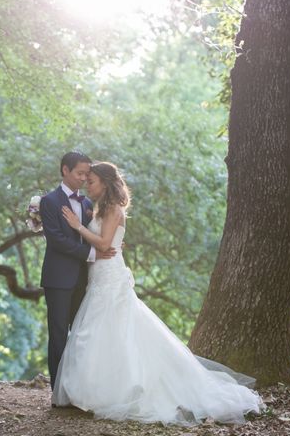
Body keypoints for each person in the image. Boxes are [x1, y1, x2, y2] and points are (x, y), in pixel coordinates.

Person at [52, 162, 265, 425]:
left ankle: (123, 389)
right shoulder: (99, 209)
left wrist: (77, 227)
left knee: (111, 329)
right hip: (99, 275)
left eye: (92, 181)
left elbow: (105, 243)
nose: (87, 185)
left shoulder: (113, 209)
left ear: (105, 183)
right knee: (97, 331)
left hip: (109, 276)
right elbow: (108, 241)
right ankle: (94, 388)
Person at [39, 151, 115, 392]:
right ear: (65, 170)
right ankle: (59, 392)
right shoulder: (49, 201)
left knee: (82, 334)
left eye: (86, 174)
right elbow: (57, 240)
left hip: (85, 279)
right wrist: (93, 254)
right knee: (59, 334)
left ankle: (80, 388)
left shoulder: (86, 204)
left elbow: (96, 235)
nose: (84, 178)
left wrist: (112, 243)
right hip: (58, 279)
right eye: (80, 173)